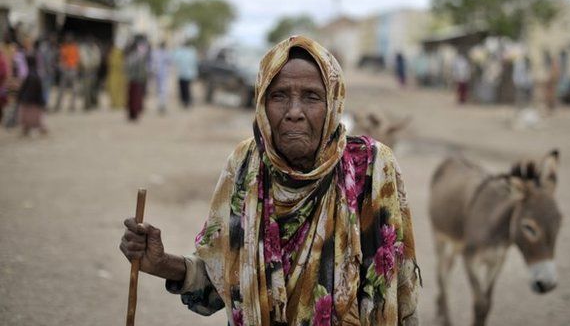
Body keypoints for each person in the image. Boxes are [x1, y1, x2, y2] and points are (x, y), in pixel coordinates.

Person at [119, 36, 421, 325]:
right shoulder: (245, 165)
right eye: (278, 95)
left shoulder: (371, 168)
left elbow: (396, 290)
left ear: (334, 103)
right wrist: (160, 263)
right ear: (262, 101)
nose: (294, 113)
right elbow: (218, 281)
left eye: (312, 97)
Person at [17, 55, 47, 136]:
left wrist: (19, 97)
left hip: (27, 100)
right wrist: (42, 101)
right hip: (35, 101)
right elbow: (40, 90)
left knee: (27, 116)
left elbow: (23, 89)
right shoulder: (36, 75)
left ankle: (27, 129)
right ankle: (39, 129)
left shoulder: (28, 75)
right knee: (36, 117)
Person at [124, 37, 149, 121]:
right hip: (135, 80)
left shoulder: (134, 56)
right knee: (134, 98)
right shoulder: (135, 56)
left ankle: (133, 114)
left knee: (134, 98)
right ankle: (133, 114)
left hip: (135, 80)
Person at [54, 33, 80, 112]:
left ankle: (72, 105)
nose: (69, 40)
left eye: (70, 38)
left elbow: (77, 59)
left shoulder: (75, 47)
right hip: (65, 70)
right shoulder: (64, 47)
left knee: (74, 89)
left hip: (72, 69)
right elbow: (61, 58)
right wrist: (62, 66)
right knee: (62, 89)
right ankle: (58, 105)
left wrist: (75, 67)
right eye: (67, 38)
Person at [173, 41, 198, 108]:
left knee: (186, 89)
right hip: (182, 74)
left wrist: (195, 73)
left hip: (186, 74)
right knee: (183, 88)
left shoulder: (191, 52)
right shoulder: (182, 52)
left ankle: (187, 101)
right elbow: (175, 59)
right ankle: (185, 101)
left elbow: (194, 63)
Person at [79, 37, 101, 111]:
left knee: (93, 88)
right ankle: (87, 104)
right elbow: (81, 59)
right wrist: (84, 66)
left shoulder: (95, 48)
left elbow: (98, 59)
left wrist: (95, 66)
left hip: (93, 70)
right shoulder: (83, 49)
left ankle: (94, 103)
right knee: (86, 88)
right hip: (86, 70)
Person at [152, 41, 171, 114]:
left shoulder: (157, 53)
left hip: (162, 74)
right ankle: (161, 104)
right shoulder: (160, 53)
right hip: (161, 74)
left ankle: (162, 104)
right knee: (162, 90)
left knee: (161, 90)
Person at [106, 43, 127, 109]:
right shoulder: (113, 56)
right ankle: (115, 103)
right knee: (114, 89)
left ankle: (118, 103)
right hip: (114, 75)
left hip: (118, 75)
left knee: (119, 90)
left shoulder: (118, 56)